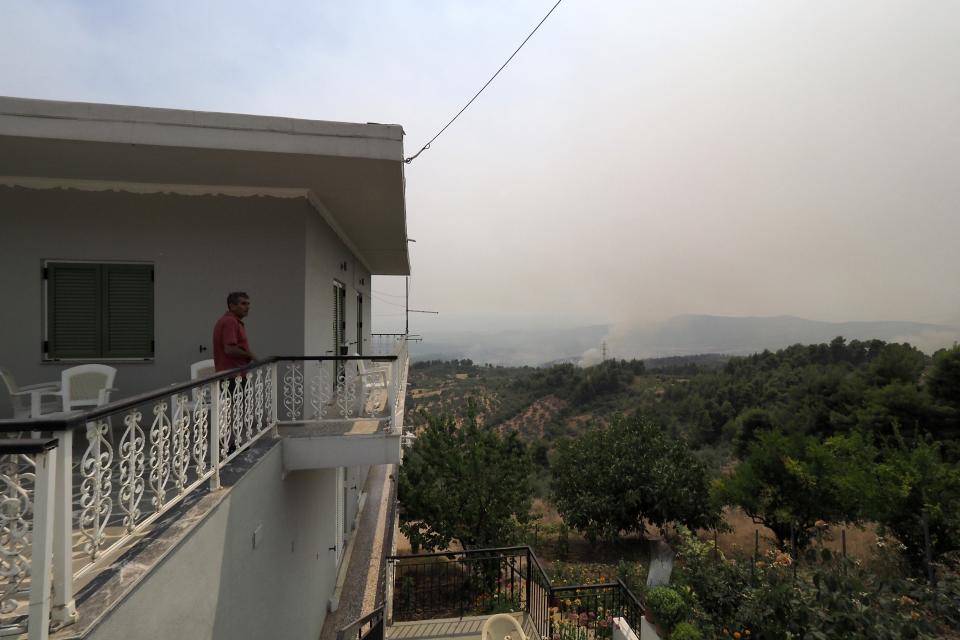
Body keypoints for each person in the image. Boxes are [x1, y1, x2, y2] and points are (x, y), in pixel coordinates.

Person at [213, 291, 256, 372]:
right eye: (243, 304)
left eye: (248, 304)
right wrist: (250, 355)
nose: (247, 307)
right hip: (232, 376)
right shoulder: (230, 321)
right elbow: (230, 349)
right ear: (232, 306)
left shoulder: (230, 320)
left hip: (233, 375)